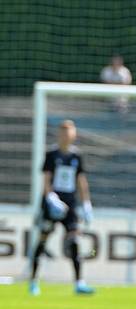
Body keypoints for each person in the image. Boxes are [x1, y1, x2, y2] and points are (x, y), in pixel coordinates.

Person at [29, 119, 95, 296]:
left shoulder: (76, 156)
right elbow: (46, 179)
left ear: (74, 135)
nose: (66, 135)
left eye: (70, 132)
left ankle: (79, 283)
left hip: (70, 205)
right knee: (43, 240)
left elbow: (81, 181)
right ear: (59, 134)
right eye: (64, 132)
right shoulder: (51, 154)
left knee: (74, 242)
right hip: (52, 204)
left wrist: (86, 204)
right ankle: (34, 281)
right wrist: (50, 197)